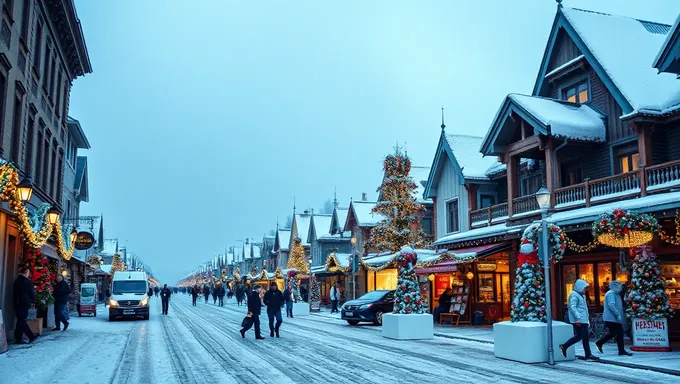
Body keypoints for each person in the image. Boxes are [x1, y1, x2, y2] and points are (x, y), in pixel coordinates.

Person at [560, 279, 599, 361]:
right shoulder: (574, 295)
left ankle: (588, 354)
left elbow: (583, 308)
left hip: (582, 319)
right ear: (580, 288)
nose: (586, 290)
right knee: (580, 336)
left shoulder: (581, 295)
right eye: (584, 288)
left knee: (584, 337)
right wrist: (578, 318)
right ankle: (564, 346)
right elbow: (572, 307)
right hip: (578, 320)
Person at [595, 280, 632, 356]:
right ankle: (599, 343)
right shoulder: (611, 294)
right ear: (616, 286)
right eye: (620, 286)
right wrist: (618, 315)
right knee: (614, 333)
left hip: (614, 318)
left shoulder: (616, 294)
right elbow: (611, 305)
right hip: (611, 318)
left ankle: (621, 351)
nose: (621, 288)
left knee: (619, 333)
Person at [13, 267, 37, 344]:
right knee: (22, 320)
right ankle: (30, 336)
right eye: (28, 272)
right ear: (26, 272)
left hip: (17, 303)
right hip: (24, 303)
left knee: (20, 320)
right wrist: (32, 301)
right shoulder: (27, 282)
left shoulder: (16, 281)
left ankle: (18, 337)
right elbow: (32, 293)